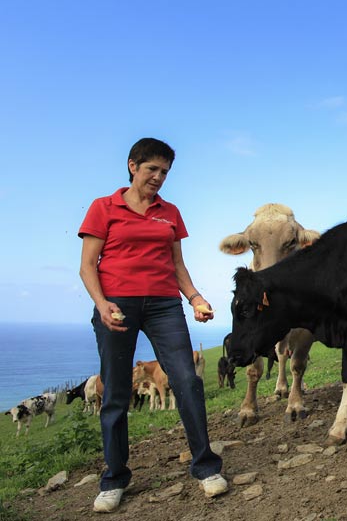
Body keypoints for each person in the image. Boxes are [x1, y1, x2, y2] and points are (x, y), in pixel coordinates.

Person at [79, 138, 228, 513]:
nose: (159, 177)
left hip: (164, 305)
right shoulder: (103, 207)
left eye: (165, 172)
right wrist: (102, 305)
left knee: (187, 380)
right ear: (133, 166)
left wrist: (195, 298)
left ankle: (206, 467)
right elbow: (87, 266)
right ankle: (114, 479)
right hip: (117, 306)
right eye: (152, 169)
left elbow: (177, 264)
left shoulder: (170, 212)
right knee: (114, 391)